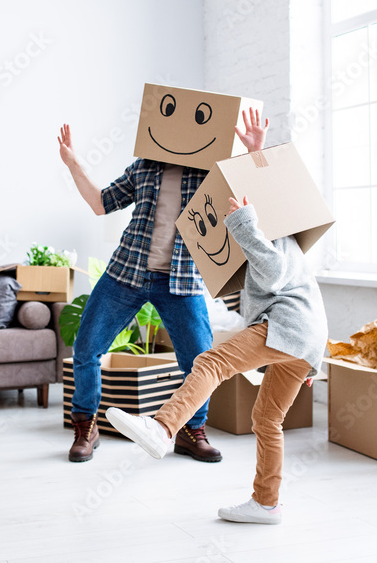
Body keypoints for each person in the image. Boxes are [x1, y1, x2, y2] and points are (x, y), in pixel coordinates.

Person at [105, 175, 328, 525]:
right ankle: (267, 504)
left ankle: (163, 429)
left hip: (288, 325)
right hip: (305, 337)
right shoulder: (280, 232)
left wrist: (242, 221)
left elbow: (271, 274)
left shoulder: (272, 228)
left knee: (211, 362)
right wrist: (312, 360)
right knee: (268, 419)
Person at [56, 109, 268, 463]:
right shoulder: (143, 167)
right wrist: (73, 163)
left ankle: (190, 431)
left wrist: (254, 153)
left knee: (201, 360)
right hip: (126, 273)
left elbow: (250, 204)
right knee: (86, 347)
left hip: (181, 280)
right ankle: (86, 426)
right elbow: (100, 203)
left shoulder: (208, 173)